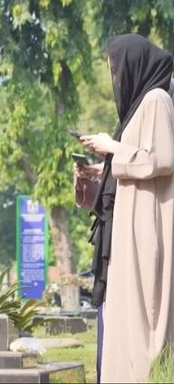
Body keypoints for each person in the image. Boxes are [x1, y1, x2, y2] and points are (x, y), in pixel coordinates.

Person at [77, 34, 174, 382]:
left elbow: (160, 159)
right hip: (127, 231)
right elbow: (133, 164)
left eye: (116, 69)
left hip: (146, 228)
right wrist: (99, 167)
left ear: (133, 65)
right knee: (122, 318)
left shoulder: (157, 101)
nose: (115, 78)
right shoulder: (139, 107)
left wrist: (113, 147)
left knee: (143, 317)